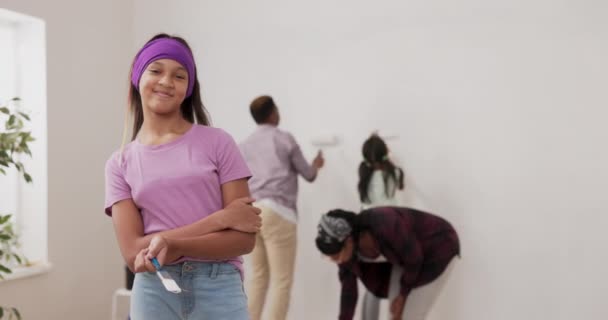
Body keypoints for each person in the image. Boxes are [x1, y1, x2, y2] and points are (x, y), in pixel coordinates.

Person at [104, 33, 261, 320]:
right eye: (156, 70)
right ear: (138, 77)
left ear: (188, 88)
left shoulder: (218, 142)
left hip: (220, 286)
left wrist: (171, 244)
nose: (166, 81)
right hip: (153, 292)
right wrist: (219, 220)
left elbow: (243, 238)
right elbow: (132, 253)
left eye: (179, 75)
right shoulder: (120, 163)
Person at [239, 95, 324, 320]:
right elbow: (308, 174)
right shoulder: (284, 139)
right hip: (278, 212)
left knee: (257, 278)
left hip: (252, 212)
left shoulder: (244, 145)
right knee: (281, 281)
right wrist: (316, 164)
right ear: (273, 113)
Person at [316, 207, 460, 320]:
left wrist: (403, 295)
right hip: (406, 258)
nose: (334, 261)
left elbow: (414, 257)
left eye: (335, 255)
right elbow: (349, 293)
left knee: (408, 317)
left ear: (348, 241)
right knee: (394, 315)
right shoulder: (346, 255)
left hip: (438, 246)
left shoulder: (386, 222)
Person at [357, 134, 405, 318]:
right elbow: (400, 185)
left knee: (373, 286)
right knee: (395, 282)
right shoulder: (395, 173)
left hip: (368, 234)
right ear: (386, 153)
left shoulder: (364, 177)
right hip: (392, 231)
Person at [358, 134, 404, 210]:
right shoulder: (395, 172)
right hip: (390, 215)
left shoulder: (363, 172)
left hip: (367, 216)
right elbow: (400, 187)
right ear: (386, 152)